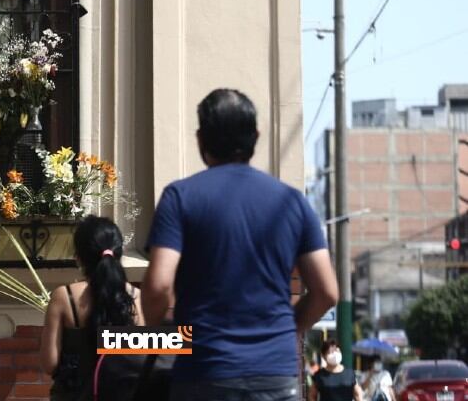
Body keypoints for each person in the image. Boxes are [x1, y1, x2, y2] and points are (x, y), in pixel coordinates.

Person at [142, 88, 340, 401]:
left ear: (200, 139)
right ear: (256, 136)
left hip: (204, 372)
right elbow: (327, 291)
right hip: (276, 375)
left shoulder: (179, 198)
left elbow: (157, 287)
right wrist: (289, 329)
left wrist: (162, 329)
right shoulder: (292, 202)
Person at [40, 216, 146, 401]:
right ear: (119, 252)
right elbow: (147, 359)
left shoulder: (65, 297)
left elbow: (50, 363)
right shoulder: (138, 299)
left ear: (79, 257)